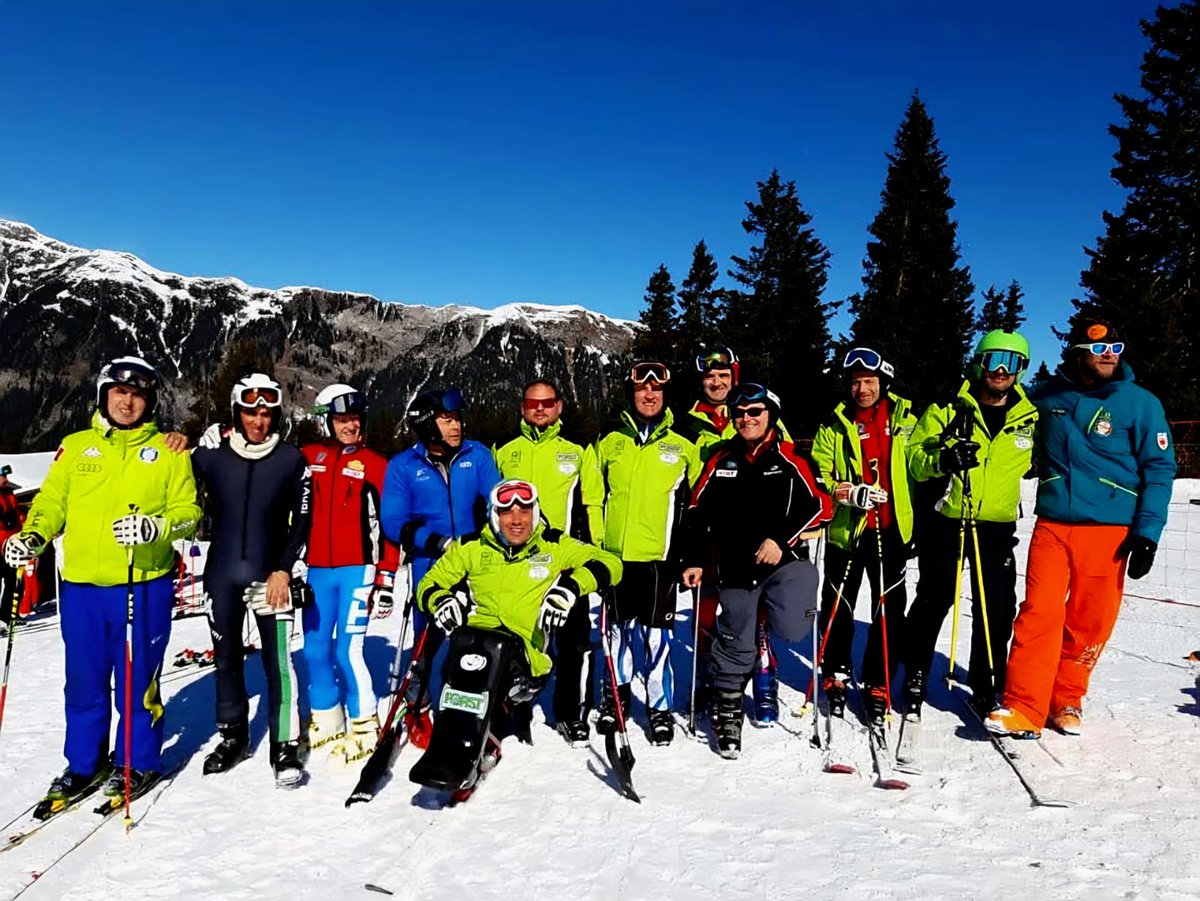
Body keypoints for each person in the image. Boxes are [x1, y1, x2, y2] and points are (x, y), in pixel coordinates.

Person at [2, 357, 200, 815]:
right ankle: (84, 764)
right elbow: (52, 502)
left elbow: (189, 512)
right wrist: (33, 535)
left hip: (140, 586)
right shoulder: (75, 448)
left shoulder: (170, 452)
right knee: (83, 683)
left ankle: (137, 761)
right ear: (103, 395)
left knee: (136, 682)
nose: (127, 402)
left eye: (137, 395)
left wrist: (156, 527)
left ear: (150, 402)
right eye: (119, 392)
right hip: (81, 590)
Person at [988, 320, 1175, 738]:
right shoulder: (1046, 397)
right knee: (1039, 613)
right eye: (1099, 348)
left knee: (1090, 621)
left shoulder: (1141, 403)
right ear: (1076, 353)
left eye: (1115, 348)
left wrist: (1147, 533)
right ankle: (1023, 705)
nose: (1109, 354)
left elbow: (1160, 469)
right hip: (1053, 525)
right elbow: (1000, 406)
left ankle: (1066, 697)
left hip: (1111, 531)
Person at [408, 479, 622, 800]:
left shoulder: (553, 545)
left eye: (524, 511)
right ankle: (452, 745)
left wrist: (570, 588)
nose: (517, 520)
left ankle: (479, 744)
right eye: (507, 513)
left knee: (492, 658)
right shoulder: (473, 547)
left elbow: (611, 564)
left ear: (535, 513)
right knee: (461, 652)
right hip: (475, 644)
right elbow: (429, 583)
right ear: (495, 516)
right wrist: (440, 599)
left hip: (524, 657)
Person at [682, 383, 830, 758]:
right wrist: (695, 558)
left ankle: (765, 630)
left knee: (794, 627)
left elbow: (820, 505)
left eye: (754, 412)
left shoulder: (791, 457)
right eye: (739, 413)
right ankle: (729, 709)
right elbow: (695, 509)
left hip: (783, 563)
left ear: (770, 415)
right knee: (735, 643)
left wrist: (780, 538)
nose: (746, 419)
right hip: (735, 568)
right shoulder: (721, 458)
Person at [905, 330, 1038, 717]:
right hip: (948, 520)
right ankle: (915, 673)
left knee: (996, 606)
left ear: (1021, 370)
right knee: (934, 599)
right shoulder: (948, 407)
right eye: (993, 359)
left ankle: (987, 681)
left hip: (996, 526)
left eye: (1011, 362)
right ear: (979, 362)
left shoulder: (1030, 416)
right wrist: (943, 460)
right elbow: (914, 458)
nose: (1001, 370)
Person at [191, 373, 312, 788]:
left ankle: (284, 746)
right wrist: (182, 441)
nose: (259, 421)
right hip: (221, 574)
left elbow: (304, 520)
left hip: (271, 577)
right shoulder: (211, 456)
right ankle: (233, 737)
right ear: (236, 413)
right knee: (225, 659)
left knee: (277, 663)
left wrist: (283, 568)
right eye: (250, 412)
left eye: (267, 413)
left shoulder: (291, 459)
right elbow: (170, 480)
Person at [381, 388, 500, 748]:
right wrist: (437, 542)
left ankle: (472, 706)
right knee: (427, 638)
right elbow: (393, 521)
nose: (456, 425)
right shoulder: (404, 465)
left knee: (475, 635)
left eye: (457, 418)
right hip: (430, 562)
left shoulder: (477, 455)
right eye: (447, 419)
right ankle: (418, 705)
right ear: (426, 424)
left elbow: (496, 500)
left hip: (473, 559)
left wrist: (486, 537)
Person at [592, 361, 701, 746]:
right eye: (642, 389)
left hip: (660, 558)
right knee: (617, 635)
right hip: (616, 558)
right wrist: (597, 548)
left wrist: (691, 555)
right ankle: (616, 699)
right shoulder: (610, 440)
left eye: (656, 389)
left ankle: (659, 708)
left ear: (666, 395)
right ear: (632, 393)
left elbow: (697, 504)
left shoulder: (684, 443)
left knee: (656, 639)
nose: (649, 394)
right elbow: (593, 497)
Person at [493, 378, 605, 747]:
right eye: (532, 403)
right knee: (518, 640)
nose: (539, 409)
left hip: (563, 562)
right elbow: (491, 507)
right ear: (522, 408)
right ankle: (515, 709)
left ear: (559, 406)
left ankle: (569, 713)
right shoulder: (504, 449)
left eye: (547, 402)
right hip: (517, 564)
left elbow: (593, 503)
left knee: (572, 644)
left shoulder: (578, 449)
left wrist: (595, 554)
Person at [810, 348, 917, 724]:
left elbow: (920, 466)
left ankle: (878, 679)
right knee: (839, 603)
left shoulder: (905, 420)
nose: (862, 389)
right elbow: (819, 474)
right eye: (855, 382)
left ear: (882, 382)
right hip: (848, 530)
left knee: (888, 608)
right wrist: (847, 492)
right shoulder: (834, 424)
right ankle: (836, 670)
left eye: (869, 381)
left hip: (890, 528)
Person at [300, 383, 401, 763]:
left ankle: (364, 724)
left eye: (355, 419)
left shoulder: (375, 464)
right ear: (326, 421)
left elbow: (391, 525)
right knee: (313, 649)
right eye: (342, 419)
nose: (350, 426)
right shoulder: (308, 456)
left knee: (347, 649)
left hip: (357, 570)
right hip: (316, 571)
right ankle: (327, 717)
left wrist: (386, 576)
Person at [0, 464, 25, 633]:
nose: (6, 479)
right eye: (3, 476)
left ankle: (7, 616)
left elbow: (16, 520)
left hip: (11, 545)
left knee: (15, 582)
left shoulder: (9, 494)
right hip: (0, 545)